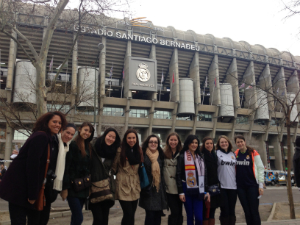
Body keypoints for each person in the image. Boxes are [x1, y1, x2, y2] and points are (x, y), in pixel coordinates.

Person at [0, 111, 67, 225]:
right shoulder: (41, 137)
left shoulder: (46, 137)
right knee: (18, 221)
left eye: (60, 123)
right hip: (19, 188)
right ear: (46, 122)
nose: (58, 125)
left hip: (22, 187)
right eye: (54, 122)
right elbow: (33, 166)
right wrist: (32, 194)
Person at [61, 122, 94, 225]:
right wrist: (65, 188)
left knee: (75, 218)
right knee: (78, 218)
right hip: (72, 187)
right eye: (85, 130)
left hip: (83, 187)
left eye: (90, 131)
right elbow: (66, 167)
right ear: (80, 129)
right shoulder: (73, 144)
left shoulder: (88, 146)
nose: (87, 133)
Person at [176, 134, 210, 225]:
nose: (194, 145)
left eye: (196, 143)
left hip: (199, 189)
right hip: (186, 189)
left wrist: (206, 191)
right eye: (192, 142)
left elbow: (205, 175)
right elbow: (178, 175)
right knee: (190, 216)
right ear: (188, 144)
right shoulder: (182, 156)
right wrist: (180, 192)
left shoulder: (201, 157)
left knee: (199, 217)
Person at [112, 129, 143, 225]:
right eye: (129, 138)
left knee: (132, 214)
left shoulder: (139, 150)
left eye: (133, 138)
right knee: (128, 213)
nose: (131, 140)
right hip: (123, 185)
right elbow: (114, 168)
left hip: (135, 185)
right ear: (125, 139)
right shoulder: (120, 150)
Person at [90, 127, 121, 225]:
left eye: (113, 137)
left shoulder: (114, 151)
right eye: (109, 136)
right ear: (105, 135)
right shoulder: (93, 146)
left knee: (105, 218)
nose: (111, 139)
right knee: (98, 218)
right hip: (93, 186)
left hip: (107, 187)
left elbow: (114, 169)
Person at [234, 135, 264, 225]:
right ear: (236, 143)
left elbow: (260, 168)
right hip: (240, 187)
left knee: (254, 211)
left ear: (245, 141)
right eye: (238, 142)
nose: (240, 143)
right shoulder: (235, 154)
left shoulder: (253, 153)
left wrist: (261, 185)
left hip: (252, 186)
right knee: (246, 211)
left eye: (241, 141)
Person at [139, 134, 168, 225]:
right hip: (148, 189)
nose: (153, 144)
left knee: (158, 216)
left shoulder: (161, 155)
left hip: (159, 189)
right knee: (150, 216)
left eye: (155, 142)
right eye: (151, 142)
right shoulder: (142, 154)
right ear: (147, 143)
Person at [216, 135, 237, 225]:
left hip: (233, 186)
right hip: (222, 186)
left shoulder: (233, 154)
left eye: (225, 142)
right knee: (225, 210)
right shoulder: (216, 153)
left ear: (228, 143)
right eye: (222, 142)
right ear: (219, 144)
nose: (224, 143)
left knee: (232, 210)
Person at [163, 132, 183, 225]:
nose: (173, 142)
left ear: (178, 141)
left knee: (179, 212)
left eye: (175, 140)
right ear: (168, 141)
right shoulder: (163, 153)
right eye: (171, 140)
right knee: (174, 212)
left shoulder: (182, 153)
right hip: (169, 188)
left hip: (180, 187)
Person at [200, 137, 220, 225]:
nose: (209, 145)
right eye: (207, 143)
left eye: (211, 143)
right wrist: (205, 189)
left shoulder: (214, 155)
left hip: (214, 187)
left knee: (212, 210)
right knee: (206, 210)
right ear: (204, 145)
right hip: (206, 187)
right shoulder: (201, 156)